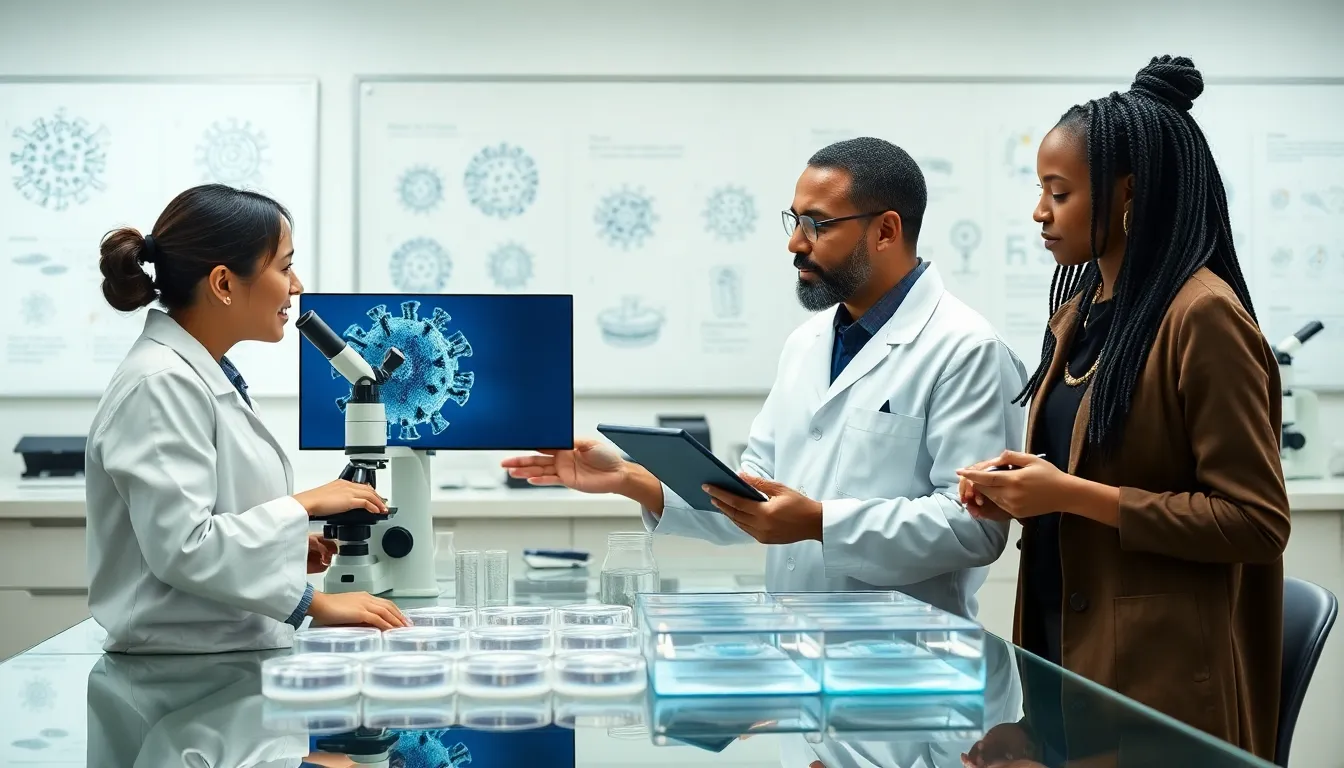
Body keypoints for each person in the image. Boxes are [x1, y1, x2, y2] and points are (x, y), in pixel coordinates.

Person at [504, 138, 1028, 619]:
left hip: (911, 665)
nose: (795, 244)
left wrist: (819, 522)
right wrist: (629, 478)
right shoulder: (807, 344)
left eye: (817, 225)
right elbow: (753, 497)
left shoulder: (966, 349)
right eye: (795, 221)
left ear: (886, 231)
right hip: (795, 646)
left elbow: (973, 528)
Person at [956, 56, 1290, 759]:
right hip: (1062, 668)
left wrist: (1070, 495)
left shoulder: (1203, 317)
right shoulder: (1077, 315)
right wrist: (1022, 488)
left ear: (1128, 193)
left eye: (1060, 192)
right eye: (1040, 189)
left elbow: (1256, 523)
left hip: (1158, 694)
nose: (1039, 211)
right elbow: (1084, 470)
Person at [86, 184, 410, 654]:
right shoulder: (160, 384)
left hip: (214, 660)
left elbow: (211, 520)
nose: (296, 286)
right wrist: (306, 518)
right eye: (284, 267)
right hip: (177, 675)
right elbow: (185, 549)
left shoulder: (200, 374)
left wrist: (283, 545)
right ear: (223, 284)